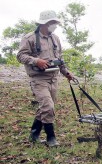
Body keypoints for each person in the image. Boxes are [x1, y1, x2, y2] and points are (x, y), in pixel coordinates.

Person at [17, 10, 74, 147]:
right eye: (53, 23)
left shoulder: (56, 38)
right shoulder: (29, 38)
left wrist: (66, 72)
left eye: (55, 23)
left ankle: (34, 134)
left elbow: (59, 59)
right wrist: (37, 61)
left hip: (53, 78)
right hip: (38, 79)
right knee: (48, 107)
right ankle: (51, 138)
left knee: (46, 107)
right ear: (45, 23)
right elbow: (20, 56)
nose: (55, 25)